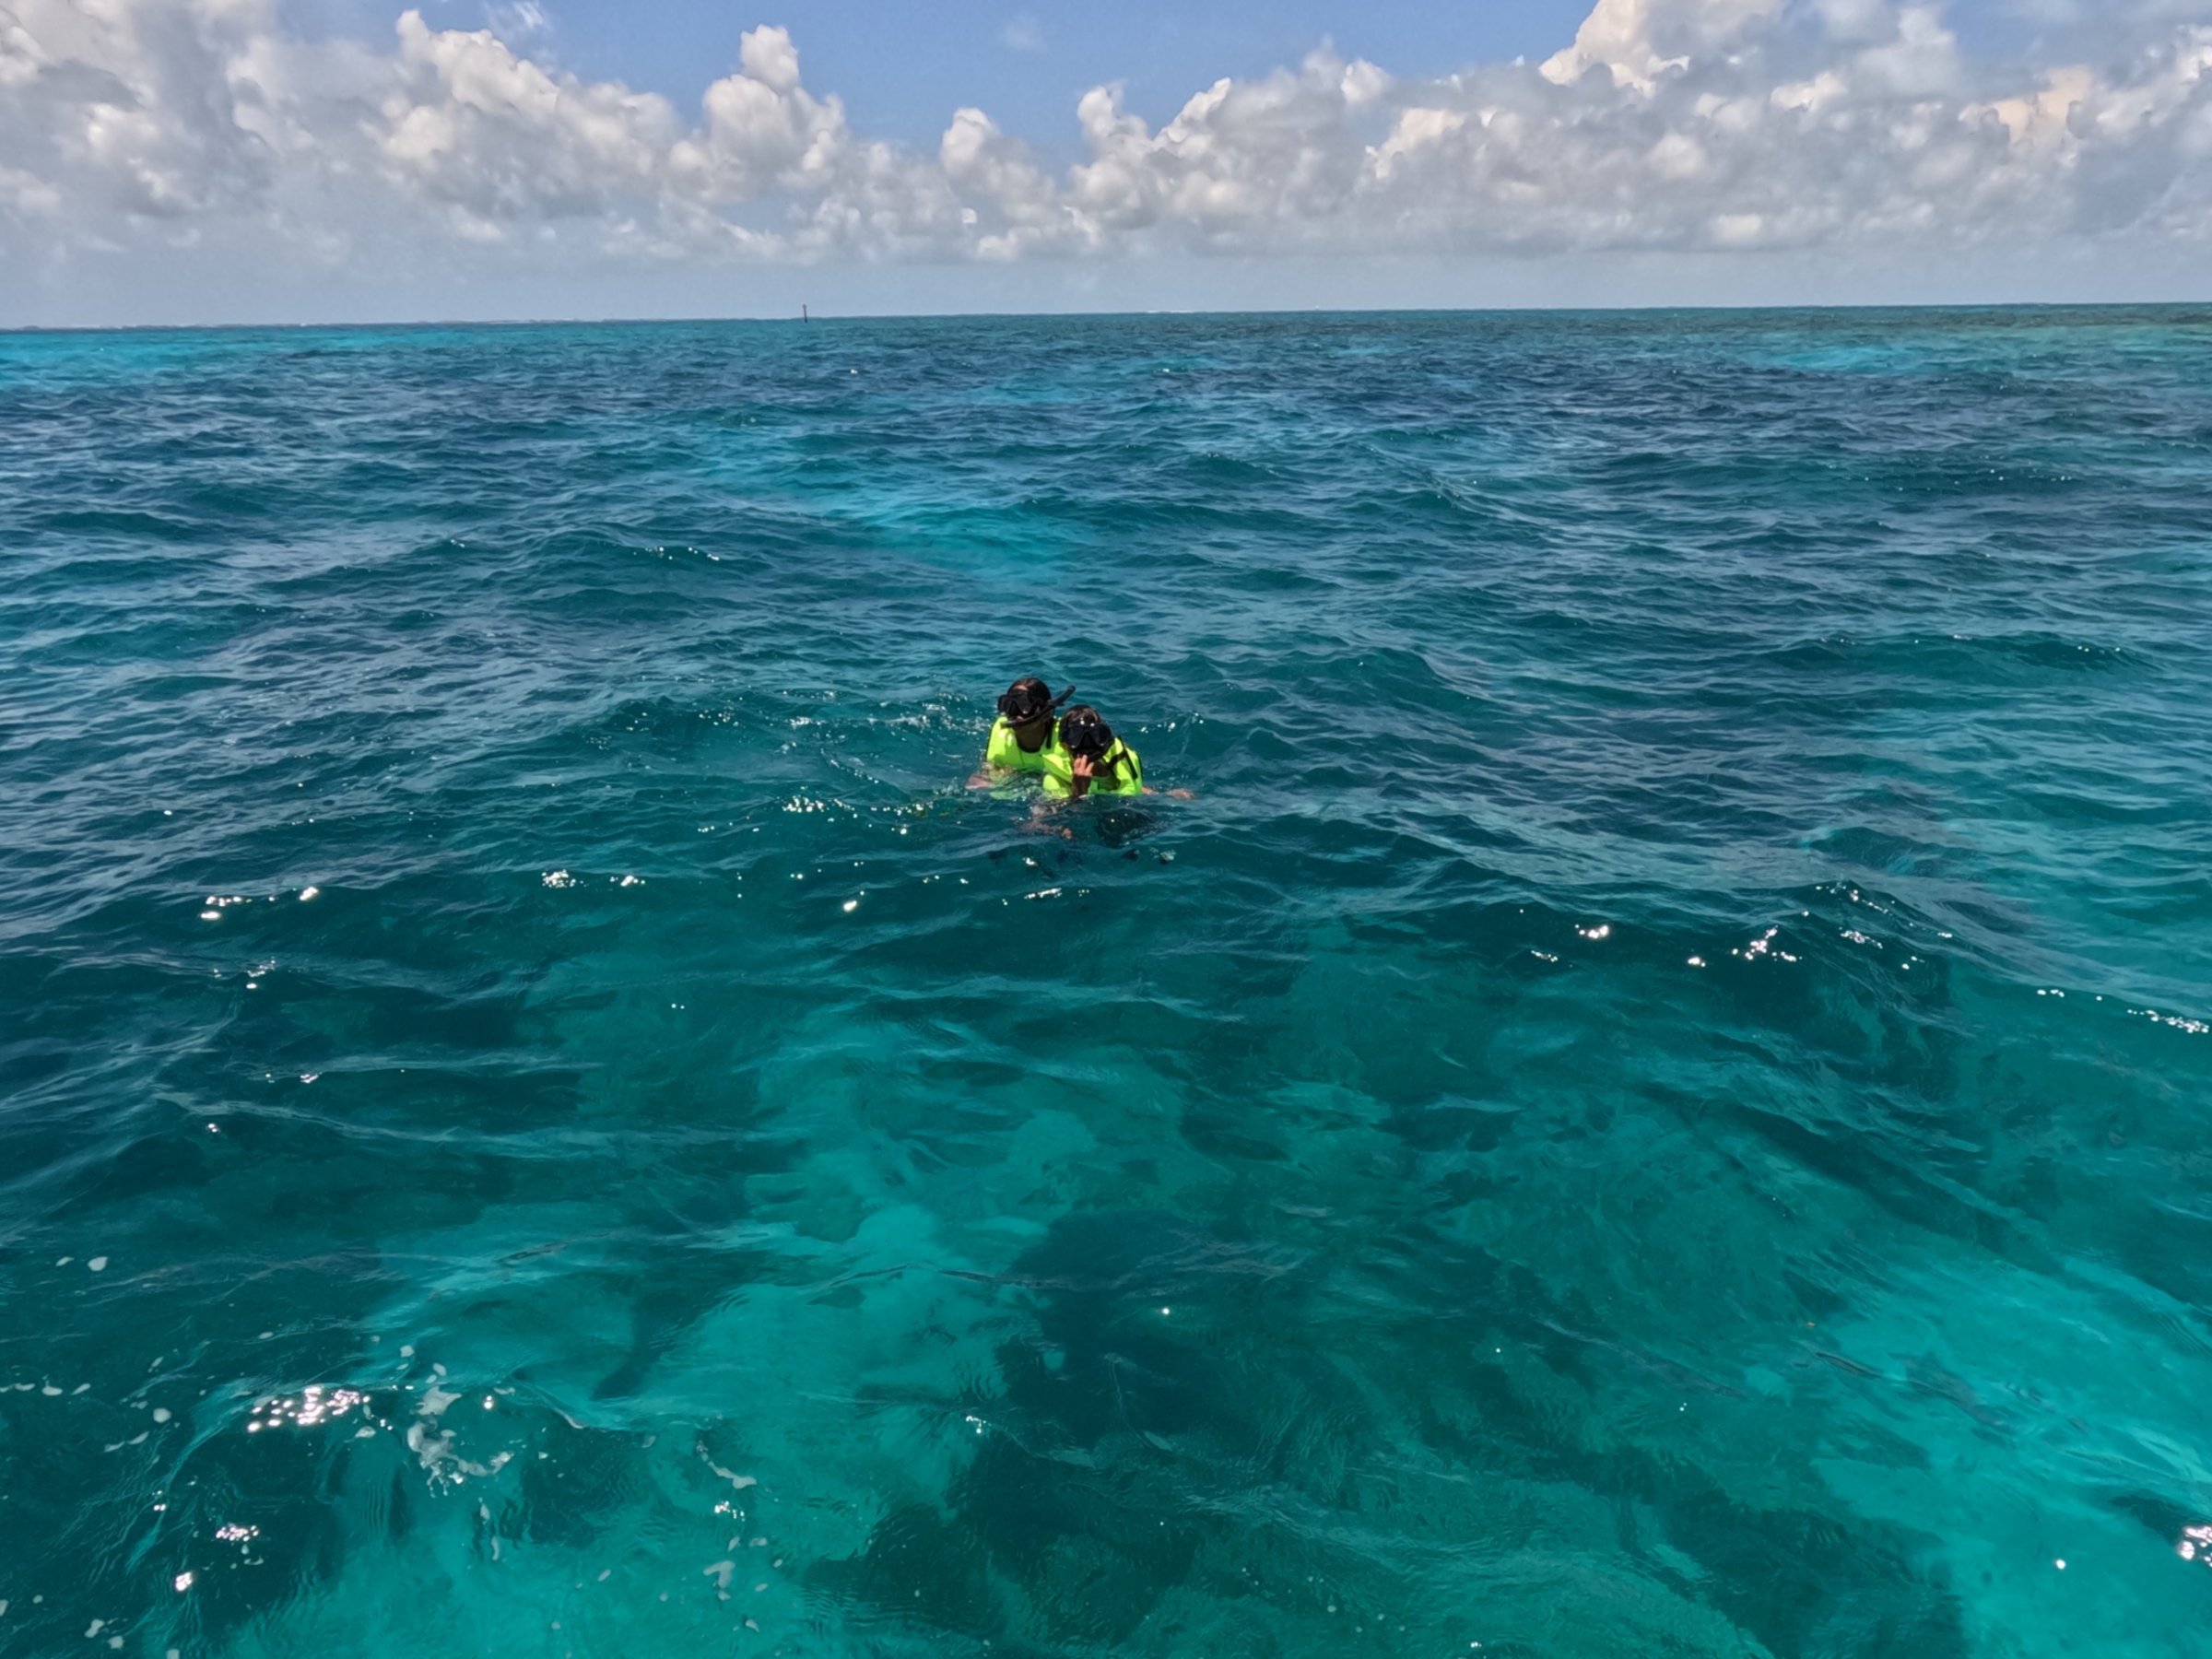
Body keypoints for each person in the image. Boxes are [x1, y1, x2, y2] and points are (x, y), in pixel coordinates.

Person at [970, 677, 1070, 786]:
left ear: (1046, 714)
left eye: (1025, 706)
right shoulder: (1001, 734)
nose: (1016, 716)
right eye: (1010, 707)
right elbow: (987, 772)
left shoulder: (1068, 738)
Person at [1044, 703, 1146, 799]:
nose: (1087, 743)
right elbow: (1047, 815)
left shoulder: (1118, 763)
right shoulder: (1055, 782)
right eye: (1075, 737)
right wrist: (1079, 792)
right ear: (1063, 745)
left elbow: (1135, 789)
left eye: (1094, 735)